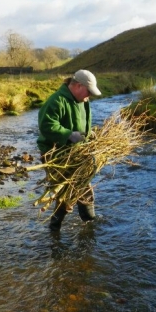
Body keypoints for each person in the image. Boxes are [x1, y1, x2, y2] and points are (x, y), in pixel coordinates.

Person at [37, 69, 102, 231]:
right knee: (65, 193)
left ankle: (89, 225)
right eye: (88, 92)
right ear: (78, 86)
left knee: (84, 188)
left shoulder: (83, 100)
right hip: (56, 154)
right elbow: (47, 126)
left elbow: (82, 122)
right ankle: (55, 228)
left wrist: (88, 133)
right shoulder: (57, 101)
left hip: (76, 152)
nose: (90, 96)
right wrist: (68, 135)